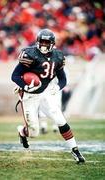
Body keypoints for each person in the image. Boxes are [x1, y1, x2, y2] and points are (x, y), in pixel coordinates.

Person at [11, 28, 85, 163]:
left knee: (60, 119)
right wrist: (25, 85)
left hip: (46, 92)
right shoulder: (30, 54)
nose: (44, 45)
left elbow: (63, 79)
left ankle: (75, 150)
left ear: (52, 43)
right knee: (34, 132)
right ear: (38, 41)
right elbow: (15, 75)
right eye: (42, 42)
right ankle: (22, 131)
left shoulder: (58, 56)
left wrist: (57, 87)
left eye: (47, 42)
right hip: (30, 95)